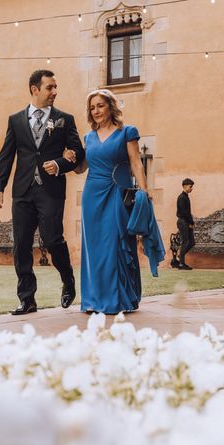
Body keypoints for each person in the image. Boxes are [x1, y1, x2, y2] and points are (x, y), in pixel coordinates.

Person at [0, 69, 85, 315]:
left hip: (51, 190)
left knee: (53, 239)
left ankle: (68, 279)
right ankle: (27, 299)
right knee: (21, 244)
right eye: (50, 87)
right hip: (22, 191)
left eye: (55, 87)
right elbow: (6, 155)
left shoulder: (65, 119)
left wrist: (60, 164)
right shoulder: (16, 120)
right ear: (35, 89)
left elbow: (78, 152)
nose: (55, 92)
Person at [72, 89, 151, 314]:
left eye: (100, 106)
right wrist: (67, 156)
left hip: (117, 193)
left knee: (117, 244)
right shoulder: (88, 138)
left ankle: (119, 299)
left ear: (111, 107)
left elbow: (136, 163)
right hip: (92, 196)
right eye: (92, 107)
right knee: (94, 249)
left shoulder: (127, 132)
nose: (96, 111)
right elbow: (80, 169)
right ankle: (93, 300)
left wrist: (144, 191)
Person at [176, 178, 195, 270]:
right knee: (185, 242)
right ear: (185, 186)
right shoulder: (182, 197)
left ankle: (180, 256)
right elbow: (184, 213)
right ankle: (181, 264)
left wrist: (190, 222)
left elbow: (187, 212)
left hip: (186, 221)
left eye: (192, 187)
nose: (192, 188)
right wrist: (191, 222)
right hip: (183, 222)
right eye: (190, 186)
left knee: (192, 242)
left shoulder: (185, 196)